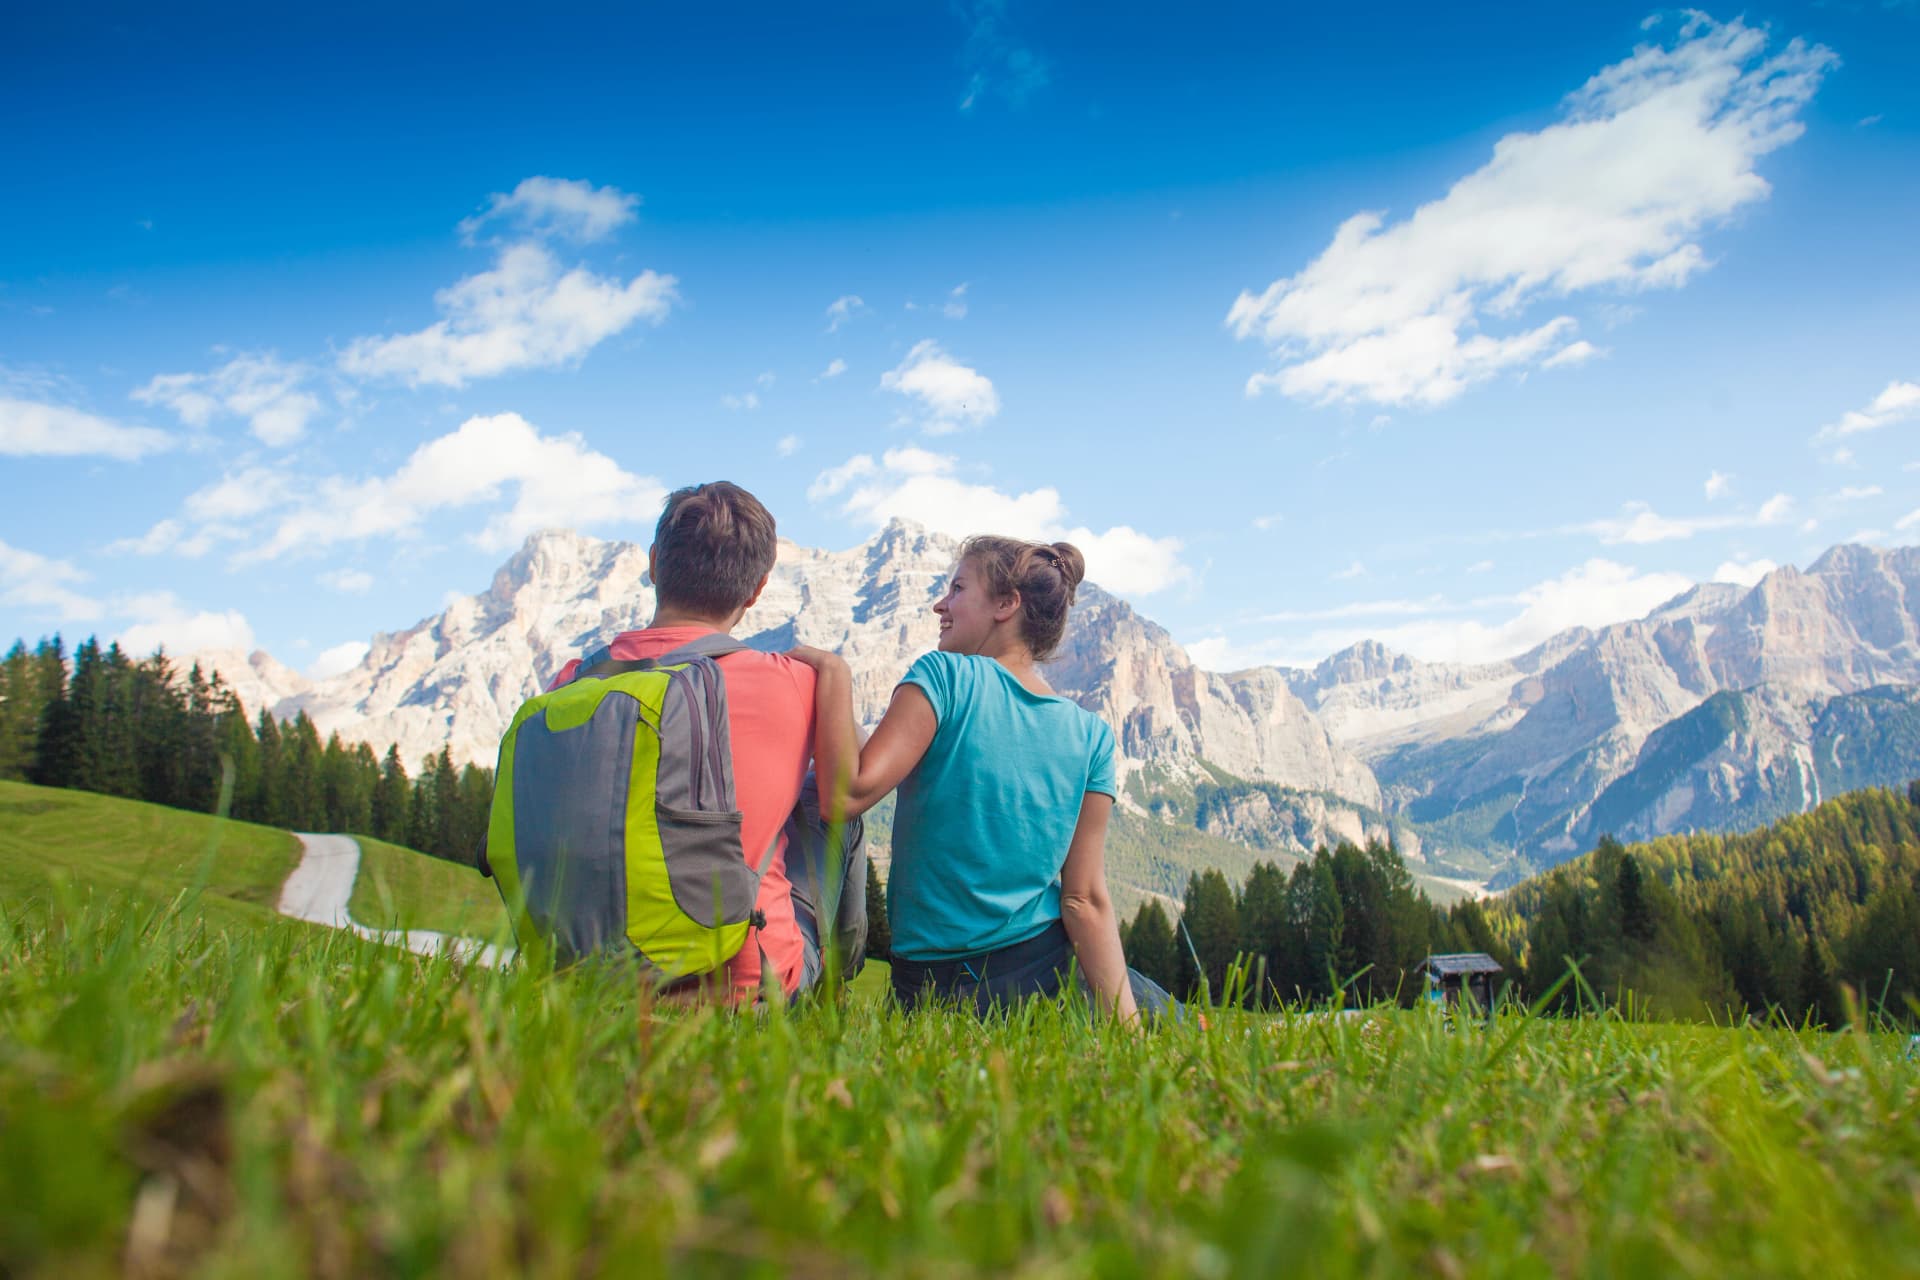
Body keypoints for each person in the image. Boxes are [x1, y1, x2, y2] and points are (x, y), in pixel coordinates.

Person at [792, 535, 1171, 1022]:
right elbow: (1083, 899)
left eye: (956, 589)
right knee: (1162, 1013)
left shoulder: (944, 676)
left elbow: (845, 795)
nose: (939, 605)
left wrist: (834, 674)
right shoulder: (1092, 735)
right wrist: (1129, 1031)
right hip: (1042, 971)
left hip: (930, 988)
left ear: (1006, 604)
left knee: (1167, 1010)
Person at [544, 481, 863, 1003]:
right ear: (756, 590)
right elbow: (853, 781)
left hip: (580, 970)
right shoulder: (795, 683)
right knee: (827, 795)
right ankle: (832, 982)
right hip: (743, 983)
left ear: (653, 564)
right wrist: (836, 673)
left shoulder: (571, 682)